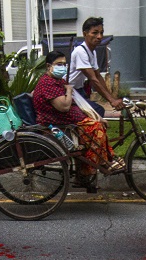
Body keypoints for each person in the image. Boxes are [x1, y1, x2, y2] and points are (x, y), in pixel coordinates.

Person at [33, 50, 126, 185]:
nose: (63, 67)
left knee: (98, 123)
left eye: (64, 64)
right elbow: (64, 106)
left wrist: (95, 116)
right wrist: (69, 91)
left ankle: (103, 161)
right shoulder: (48, 83)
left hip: (67, 120)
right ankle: (90, 169)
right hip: (57, 124)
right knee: (96, 127)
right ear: (49, 66)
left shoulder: (57, 81)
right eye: (59, 64)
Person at [68, 17, 124, 117]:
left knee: (94, 112)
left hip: (79, 90)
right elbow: (93, 79)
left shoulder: (92, 51)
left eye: (101, 33)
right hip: (70, 91)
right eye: (95, 33)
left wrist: (112, 99)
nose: (99, 36)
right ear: (85, 34)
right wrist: (112, 101)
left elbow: (98, 76)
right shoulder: (80, 51)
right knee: (97, 111)